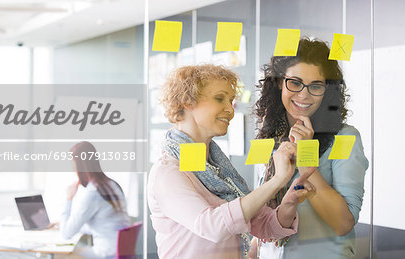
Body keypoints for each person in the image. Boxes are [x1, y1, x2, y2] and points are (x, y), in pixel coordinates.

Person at [148, 64, 316, 259]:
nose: (230, 109)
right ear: (187, 101)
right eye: (219, 98)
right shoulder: (167, 171)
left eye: (231, 101)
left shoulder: (216, 168)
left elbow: (264, 226)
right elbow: (212, 227)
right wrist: (277, 180)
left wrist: (289, 202)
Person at [253, 37, 369, 259]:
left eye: (316, 86)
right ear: (279, 83)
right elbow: (264, 206)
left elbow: (343, 223)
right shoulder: (269, 137)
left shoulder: (345, 137)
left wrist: (306, 155)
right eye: (295, 83)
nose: (304, 94)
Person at [60, 141, 131, 259]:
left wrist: (68, 199)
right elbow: (105, 223)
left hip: (106, 254)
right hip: (118, 251)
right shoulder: (112, 185)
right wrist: (73, 224)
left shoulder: (93, 193)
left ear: (80, 166)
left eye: (73, 165)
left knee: (62, 255)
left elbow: (66, 234)